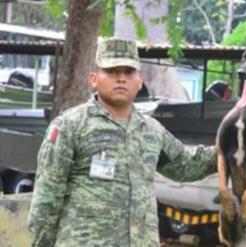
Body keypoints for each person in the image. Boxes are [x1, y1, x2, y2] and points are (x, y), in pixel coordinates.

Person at [28, 38, 217, 247]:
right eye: (111, 71)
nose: (121, 79)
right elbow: (47, 199)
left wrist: (233, 148)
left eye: (128, 72)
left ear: (140, 80)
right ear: (94, 79)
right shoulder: (70, 126)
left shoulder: (152, 131)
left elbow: (186, 166)